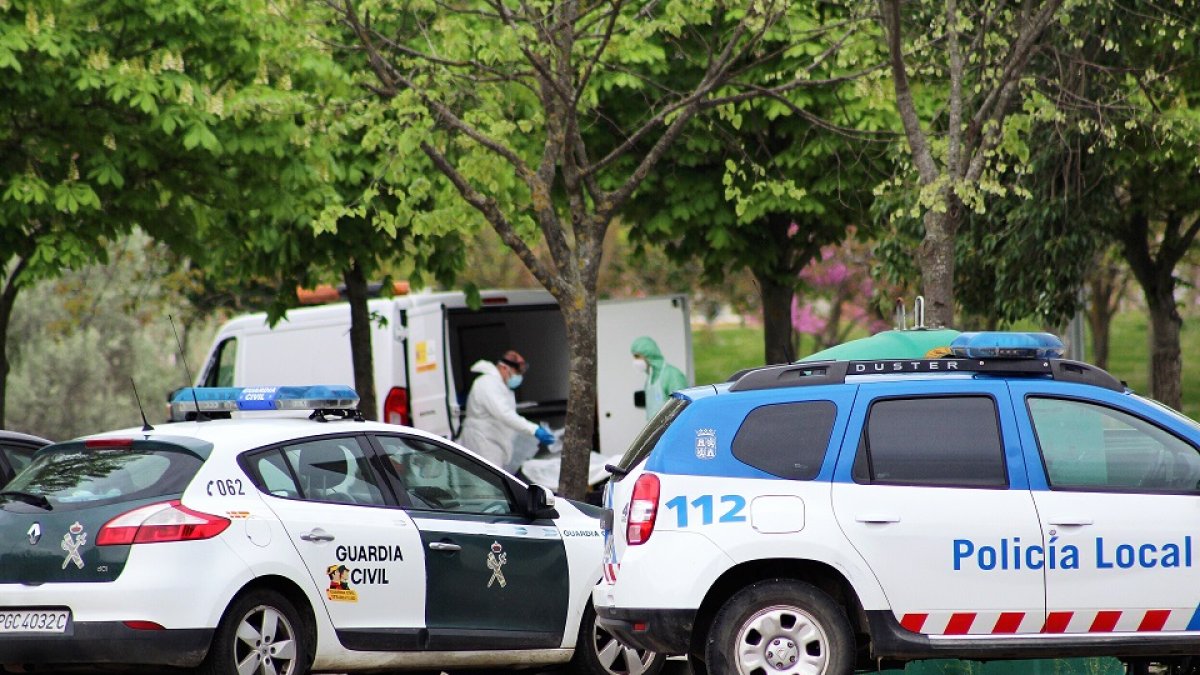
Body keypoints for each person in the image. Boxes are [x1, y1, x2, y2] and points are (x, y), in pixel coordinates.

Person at [458, 350, 555, 470]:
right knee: (487, 483)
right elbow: (505, 414)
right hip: (482, 442)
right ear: (504, 367)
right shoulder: (487, 383)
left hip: (492, 443)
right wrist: (534, 429)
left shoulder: (502, 387)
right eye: (516, 372)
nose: (519, 377)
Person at [631, 336, 688, 420]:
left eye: (637, 356)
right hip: (656, 430)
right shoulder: (650, 378)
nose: (635, 360)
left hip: (671, 430)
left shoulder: (672, 375)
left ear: (648, 353)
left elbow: (681, 406)